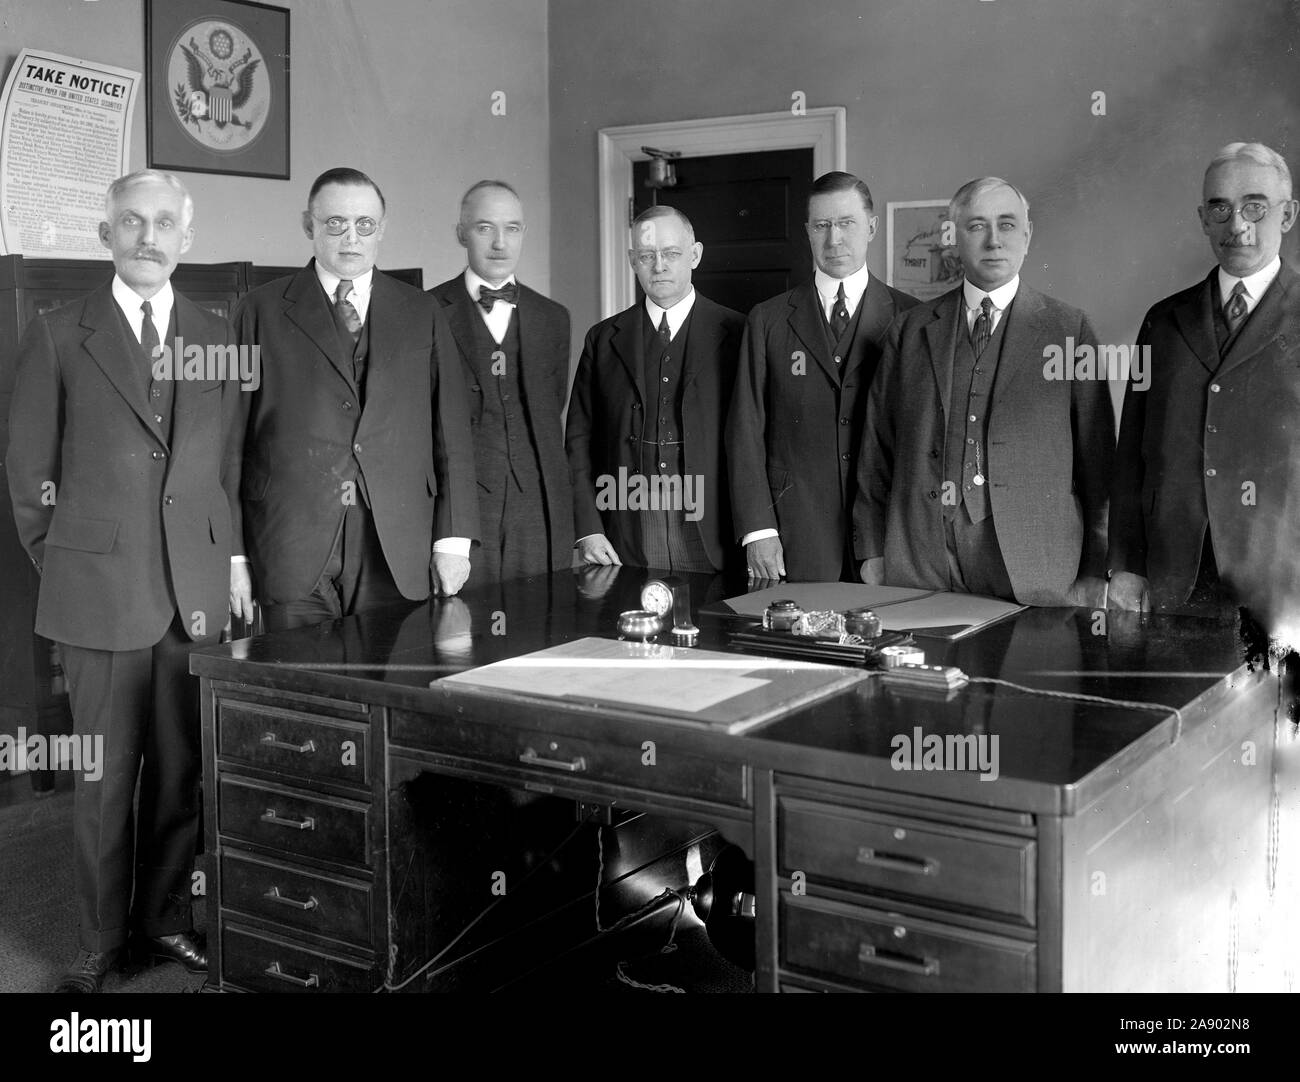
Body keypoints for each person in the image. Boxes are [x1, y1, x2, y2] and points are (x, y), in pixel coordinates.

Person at [8, 169, 239, 991]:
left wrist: (228, 562)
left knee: (184, 776)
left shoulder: (216, 331)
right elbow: (29, 474)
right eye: (132, 222)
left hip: (195, 595)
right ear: (106, 234)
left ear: (186, 236)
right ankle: (100, 942)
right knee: (104, 784)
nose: (150, 236)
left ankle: (166, 922)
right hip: (99, 598)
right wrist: (74, 567)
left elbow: (223, 466)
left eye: (165, 223)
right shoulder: (60, 330)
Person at [229, 167, 478, 631]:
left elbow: (452, 431)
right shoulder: (257, 311)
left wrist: (453, 542)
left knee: (391, 687)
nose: (351, 237)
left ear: (381, 229)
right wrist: (233, 554)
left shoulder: (421, 311)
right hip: (289, 542)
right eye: (335, 223)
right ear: (309, 226)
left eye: (365, 224)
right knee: (304, 692)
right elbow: (229, 442)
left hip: (396, 544)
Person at [854, 177, 1113, 605]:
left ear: (1027, 237)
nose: (994, 240)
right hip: (921, 561)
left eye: (1007, 225)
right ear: (954, 238)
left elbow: (1098, 464)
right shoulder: (912, 328)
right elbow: (876, 448)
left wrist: (1094, 569)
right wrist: (873, 550)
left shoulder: (1069, 329)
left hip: (1036, 569)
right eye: (977, 226)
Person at [1109, 142, 1300, 636]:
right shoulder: (1164, 319)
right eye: (1220, 207)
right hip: (1174, 577)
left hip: (1280, 581)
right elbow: (1131, 453)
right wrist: (1125, 564)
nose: (1237, 224)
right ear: (1203, 219)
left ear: (1288, 215)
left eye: (1255, 206)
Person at [727, 171, 918, 582]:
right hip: (794, 534)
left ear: (871, 226)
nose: (834, 240)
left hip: (889, 536)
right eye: (822, 225)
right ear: (807, 232)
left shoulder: (913, 320)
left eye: (846, 223)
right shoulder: (768, 319)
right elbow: (744, 430)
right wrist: (759, 530)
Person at [566, 205, 745, 572]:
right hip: (626, 530)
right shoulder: (603, 340)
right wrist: (587, 530)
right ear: (632, 260)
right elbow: (578, 442)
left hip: (713, 531)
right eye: (647, 255)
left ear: (694, 255)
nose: (658, 265)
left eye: (671, 254)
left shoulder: (739, 332)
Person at [429, 181, 573, 585]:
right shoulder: (426, 311)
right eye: (484, 228)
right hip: (461, 514)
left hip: (540, 512)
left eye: (511, 228)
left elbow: (550, 410)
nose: (499, 242)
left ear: (523, 233)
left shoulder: (553, 317)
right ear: (461, 233)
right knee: (461, 636)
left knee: (541, 630)